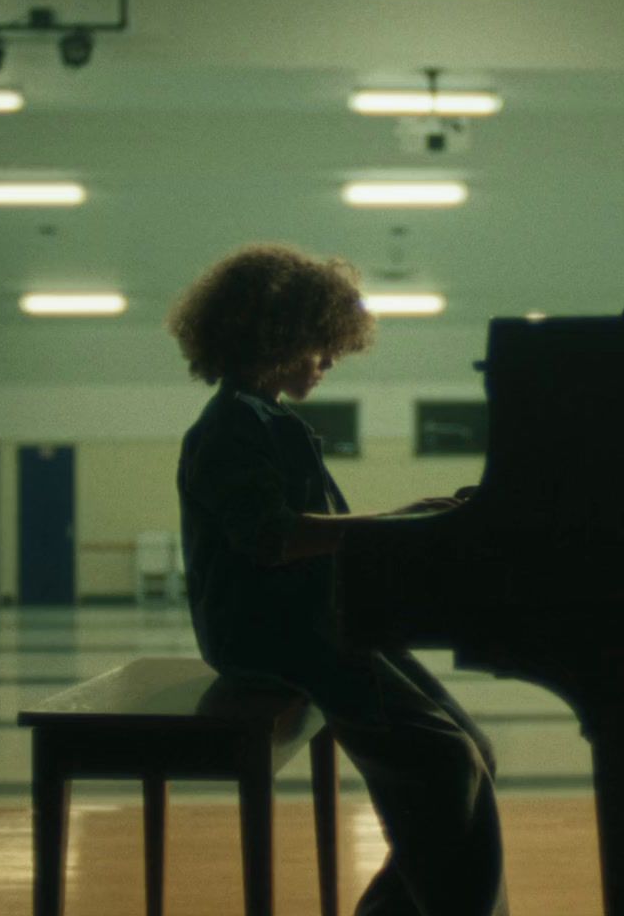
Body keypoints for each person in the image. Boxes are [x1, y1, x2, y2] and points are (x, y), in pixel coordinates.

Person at [166, 243, 507, 916]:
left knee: (474, 752)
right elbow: (274, 539)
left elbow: (316, 534)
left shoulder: (269, 420)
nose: (327, 362)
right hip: (267, 634)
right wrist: (396, 523)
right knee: (443, 764)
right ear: (277, 337)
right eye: (320, 347)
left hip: (311, 620)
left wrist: (408, 524)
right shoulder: (228, 428)